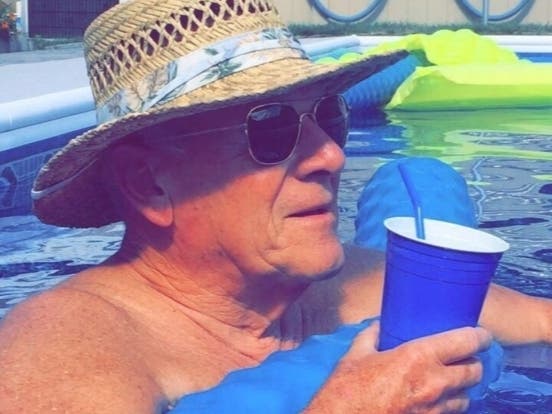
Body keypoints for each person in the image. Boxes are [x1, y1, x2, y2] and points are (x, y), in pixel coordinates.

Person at [0, 0, 551, 412]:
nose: (331, 155)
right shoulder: (62, 351)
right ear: (147, 184)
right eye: (270, 129)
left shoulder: (352, 286)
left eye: (329, 116)